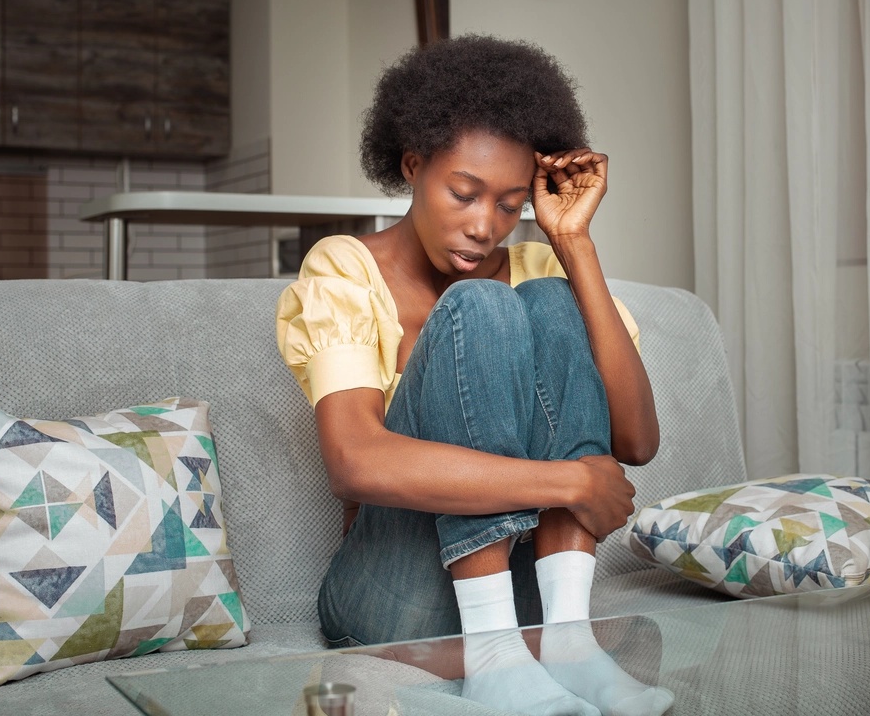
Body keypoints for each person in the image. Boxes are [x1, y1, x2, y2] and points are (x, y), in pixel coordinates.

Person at [276, 35, 673, 716]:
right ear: (412, 165)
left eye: (510, 205)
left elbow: (636, 440)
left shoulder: (543, 271)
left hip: (532, 598)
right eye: (464, 194)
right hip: (393, 597)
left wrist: (572, 243)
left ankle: (569, 644)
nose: (484, 226)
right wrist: (570, 480)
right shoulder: (344, 269)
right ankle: (496, 661)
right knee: (478, 308)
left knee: (548, 300)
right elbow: (354, 462)